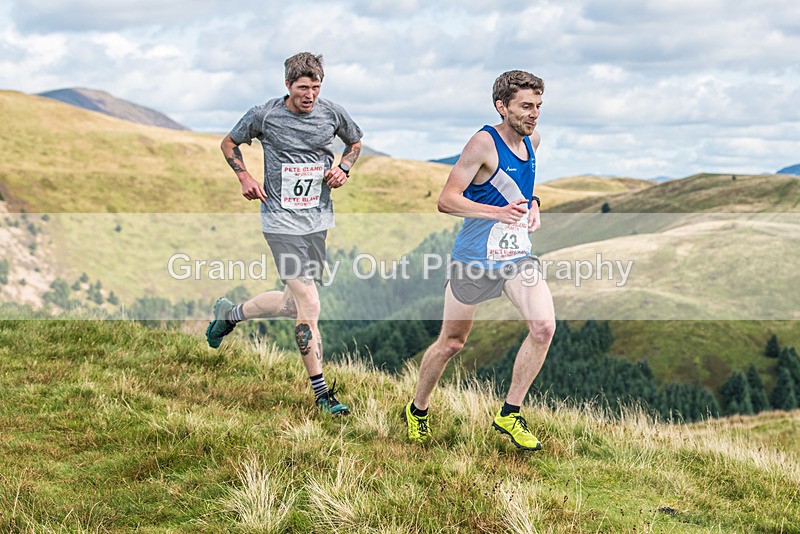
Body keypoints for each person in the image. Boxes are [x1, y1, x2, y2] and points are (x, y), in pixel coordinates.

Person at [403, 70, 555, 449]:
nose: (533, 114)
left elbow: (522, 188)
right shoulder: (482, 144)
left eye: (537, 106)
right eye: (525, 106)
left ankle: (510, 413)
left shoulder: (532, 139)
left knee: (543, 328)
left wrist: (534, 204)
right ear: (501, 107)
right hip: (472, 259)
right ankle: (418, 409)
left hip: (516, 256)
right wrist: (496, 213)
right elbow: (446, 200)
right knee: (452, 344)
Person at [206, 52, 363, 416]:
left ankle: (229, 315)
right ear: (288, 86)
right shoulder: (265, 115)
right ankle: (323, 395)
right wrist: (244, 176)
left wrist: (344, 168)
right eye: (303, 88)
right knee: (310, 304)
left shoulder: (333, 113)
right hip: (279, 222)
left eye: (316, 87)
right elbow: (228, 143)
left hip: (317, 222)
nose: (310, 95)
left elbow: (354, 142)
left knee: (291, 303)